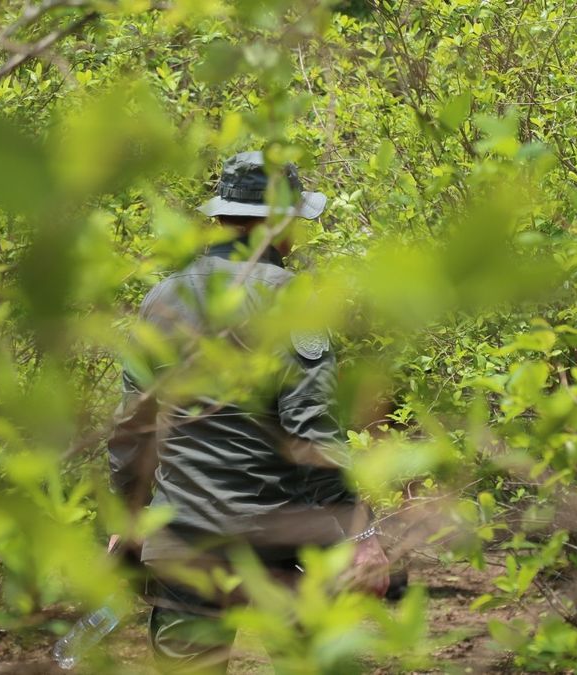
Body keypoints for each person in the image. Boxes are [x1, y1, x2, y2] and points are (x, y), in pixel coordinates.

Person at [106, 151, 389, 673]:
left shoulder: (162, 300)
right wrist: (361, 536)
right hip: (278, 545)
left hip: (183, 542)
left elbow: (132, 428)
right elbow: (314, 431)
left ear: (219, 218)